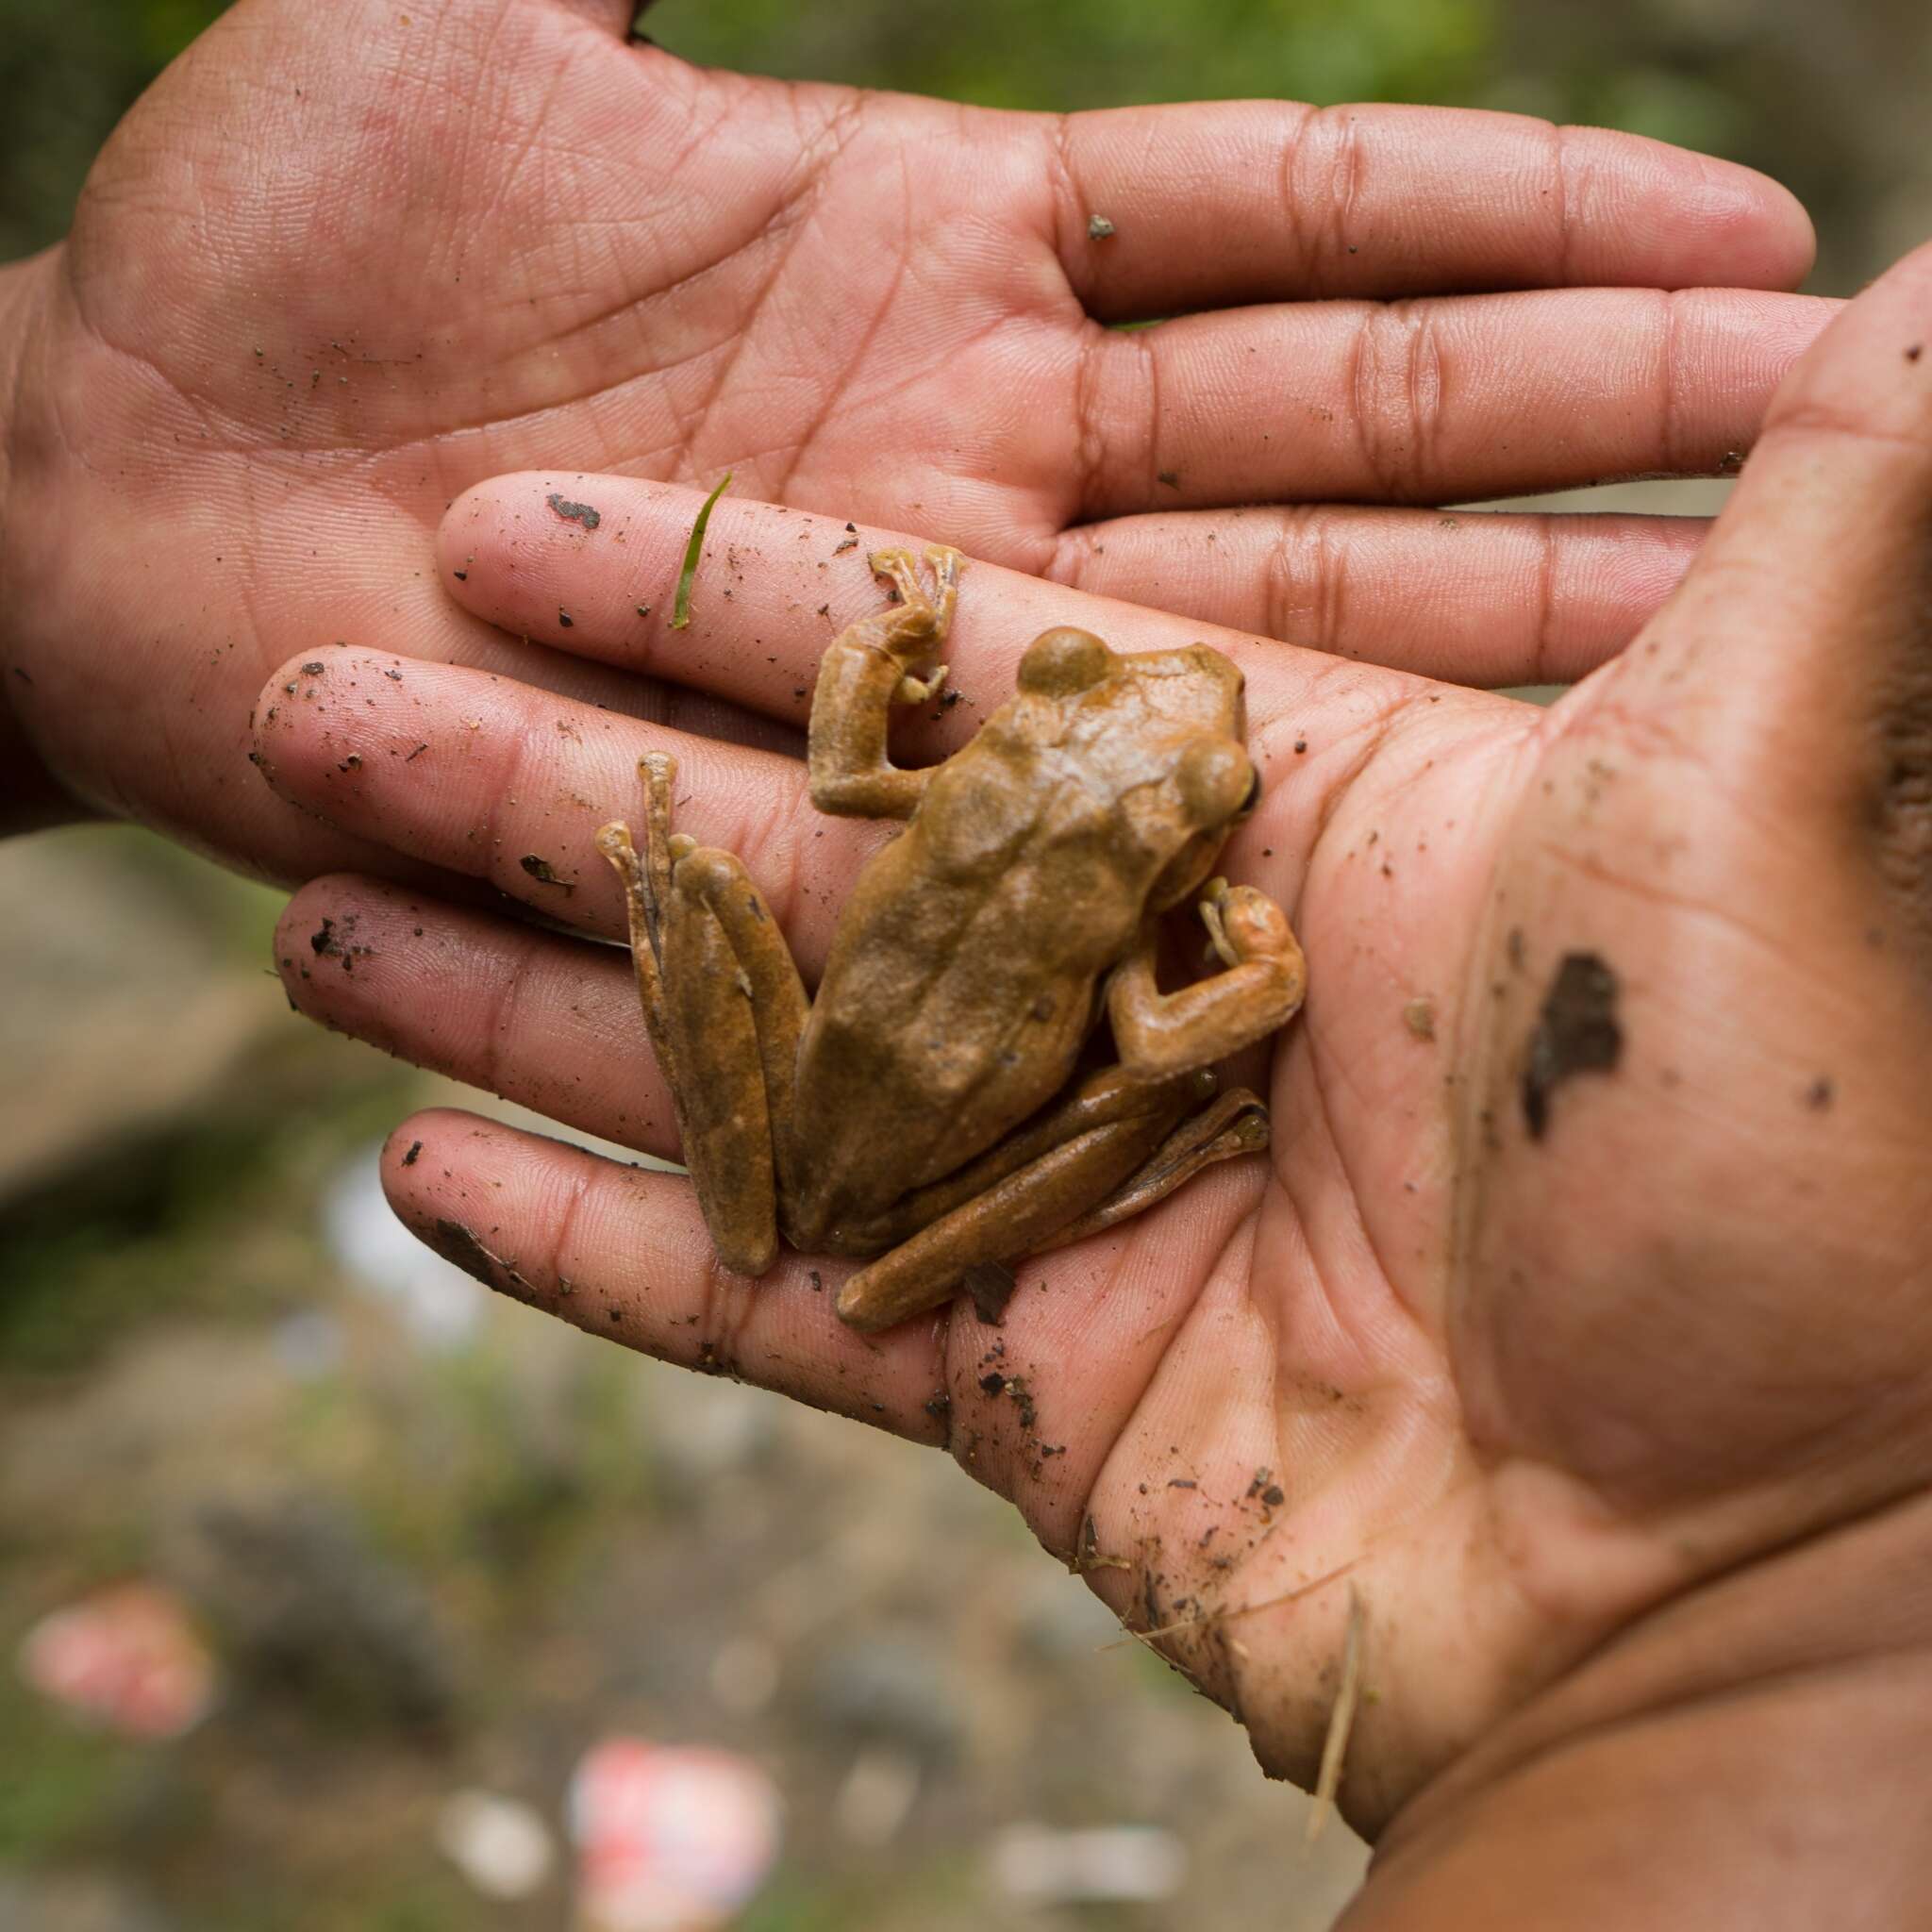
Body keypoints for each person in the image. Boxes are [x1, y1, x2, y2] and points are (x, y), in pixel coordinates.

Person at [5, 0, 1927, 1924]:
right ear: (1055, 748)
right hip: (884, 1127)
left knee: (839, 956)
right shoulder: (1090, 882)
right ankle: (1035, 1155)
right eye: (1076, 683)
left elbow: (865, 780)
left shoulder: (949, 800)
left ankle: (894, 1110)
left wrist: (902, 663)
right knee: (1116, 1080)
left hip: (882, 1128)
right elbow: (1182, 1005)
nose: (1127, 696)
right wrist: (1240, 948)